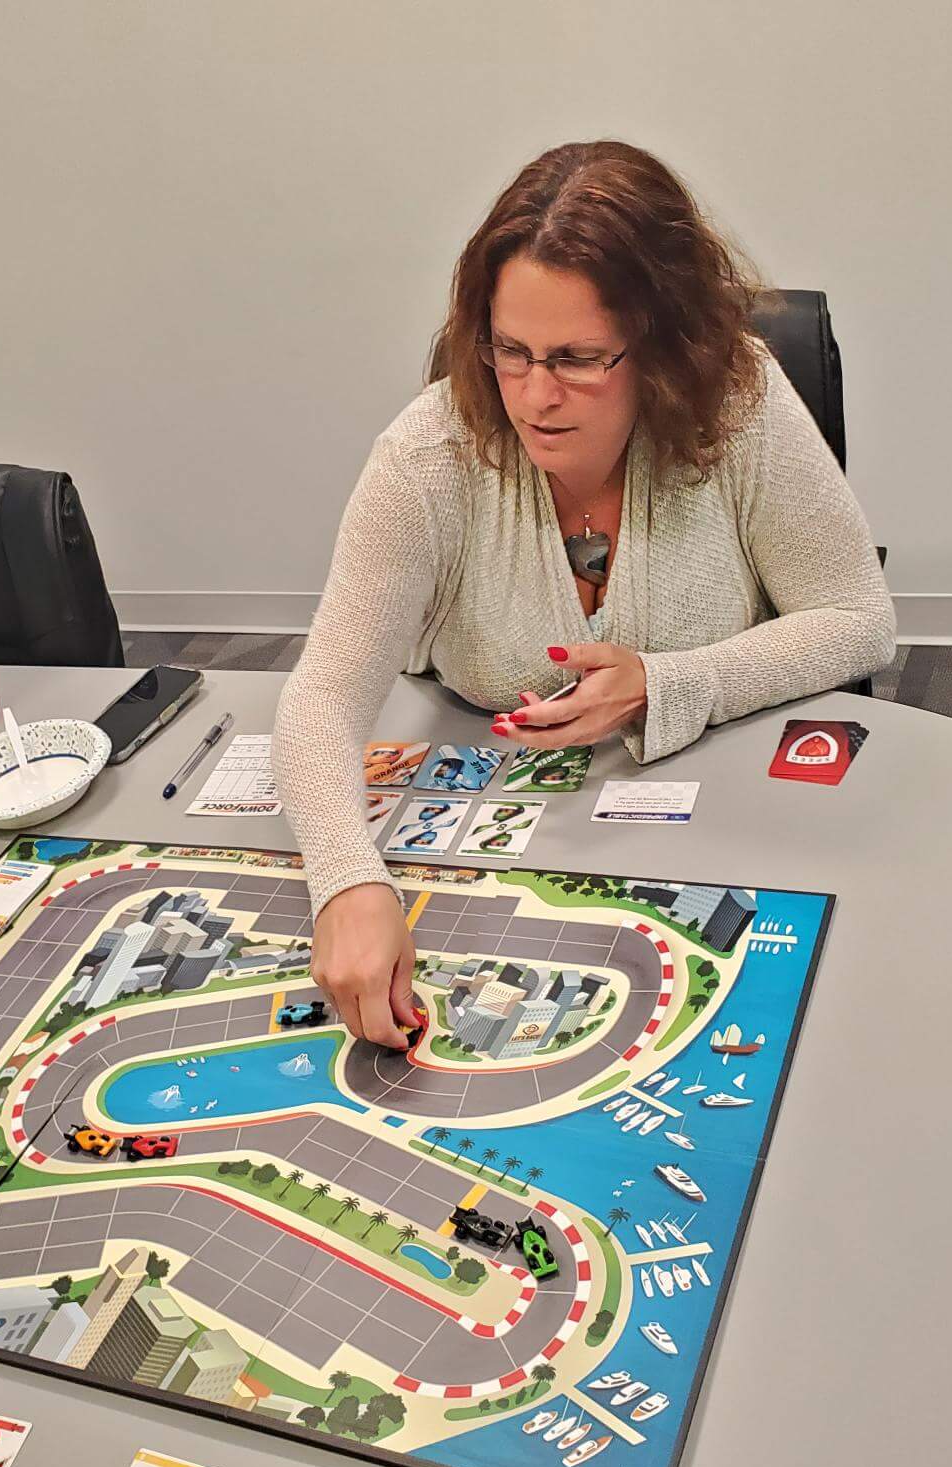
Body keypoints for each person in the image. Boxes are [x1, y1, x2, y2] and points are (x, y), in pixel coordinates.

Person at [273, 140, 895, 1049]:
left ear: (665, 345)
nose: (532, 395)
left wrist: (666, 682)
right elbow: (321, 697)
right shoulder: (428, 456)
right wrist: (345, 883)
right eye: (509, 350)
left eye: (576, 358)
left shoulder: (741, 402)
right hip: (501, 828)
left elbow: (858, 620)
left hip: (722, 813)